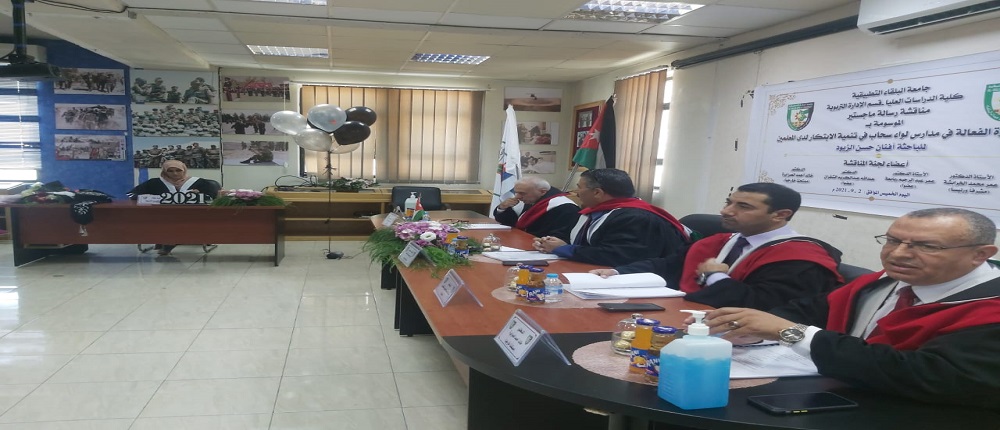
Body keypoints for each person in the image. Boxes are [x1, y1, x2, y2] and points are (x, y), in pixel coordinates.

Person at [702, 208, 1000, 409]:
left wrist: (790, 333)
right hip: (837, 394)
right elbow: (808, 310)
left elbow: (931, 376)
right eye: (893, 240)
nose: (898, 254)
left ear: (980, 255)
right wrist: (752, 329)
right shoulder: (881, 282)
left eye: (927, 246)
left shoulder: (989, 309)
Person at [592, 183, 843, 309]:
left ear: (780, 215)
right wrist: (617, 271)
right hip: (688, 315)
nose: (726, 211)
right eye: (728, 202)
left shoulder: (800, 259)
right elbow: (668, 265)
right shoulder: (722, 240)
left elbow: (761, 305)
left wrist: (715, 276)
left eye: (743, 207)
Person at [533, 168, 689, 267]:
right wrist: (548, 242)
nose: (576, 192)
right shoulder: (595, 211)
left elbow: (616, 256)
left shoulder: (635, 217)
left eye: (579, 188)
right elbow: (576, 238)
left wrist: (563, 248)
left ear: (597, 193)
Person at [126, 160, 221, 255]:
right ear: (164, 171)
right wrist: (151, 198)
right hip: (161, 215)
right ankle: (168, 241)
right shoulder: (154, 182)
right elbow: (132, 194)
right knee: (167, 219)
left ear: (184, 170)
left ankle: (168, 242)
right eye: (170, 171)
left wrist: (199, 194)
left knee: (176, 220)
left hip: (193, 215)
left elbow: (213, 197)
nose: (175, 173)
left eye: (178, 170)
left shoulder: (199, 182)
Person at [493, 177, 579, 242]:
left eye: (522, 193)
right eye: (516, 192)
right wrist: (502, 208)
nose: (517, 197)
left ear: (542, 192)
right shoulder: (531, 199)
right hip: (522, 241)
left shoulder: (565, 207)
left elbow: (560, 237)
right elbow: (510, 222)